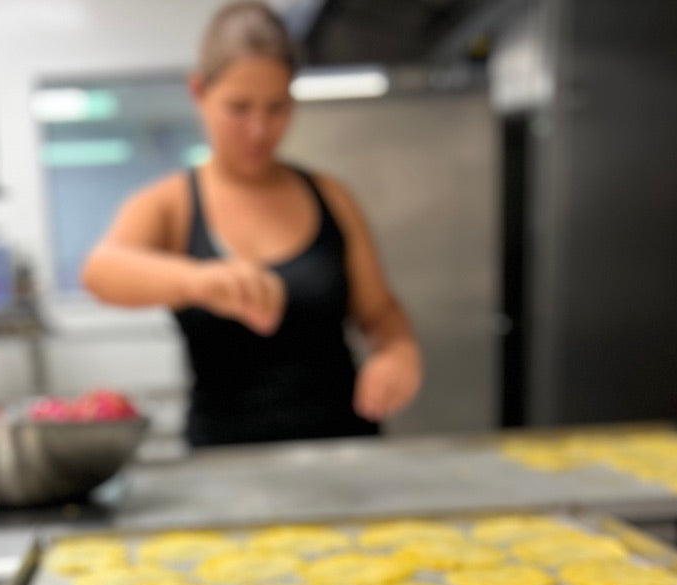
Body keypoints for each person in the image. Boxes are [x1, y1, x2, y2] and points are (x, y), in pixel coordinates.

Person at [82, 1, 422, 448]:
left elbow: (380, 313)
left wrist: (398, 351)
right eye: (239, 108)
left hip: (343, 450)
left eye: (276, 108)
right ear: (198, 92)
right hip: (223, 459)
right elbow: (101, 271)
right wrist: (198, 280)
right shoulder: (170, 204)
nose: (259, 130)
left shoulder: (331, 196)